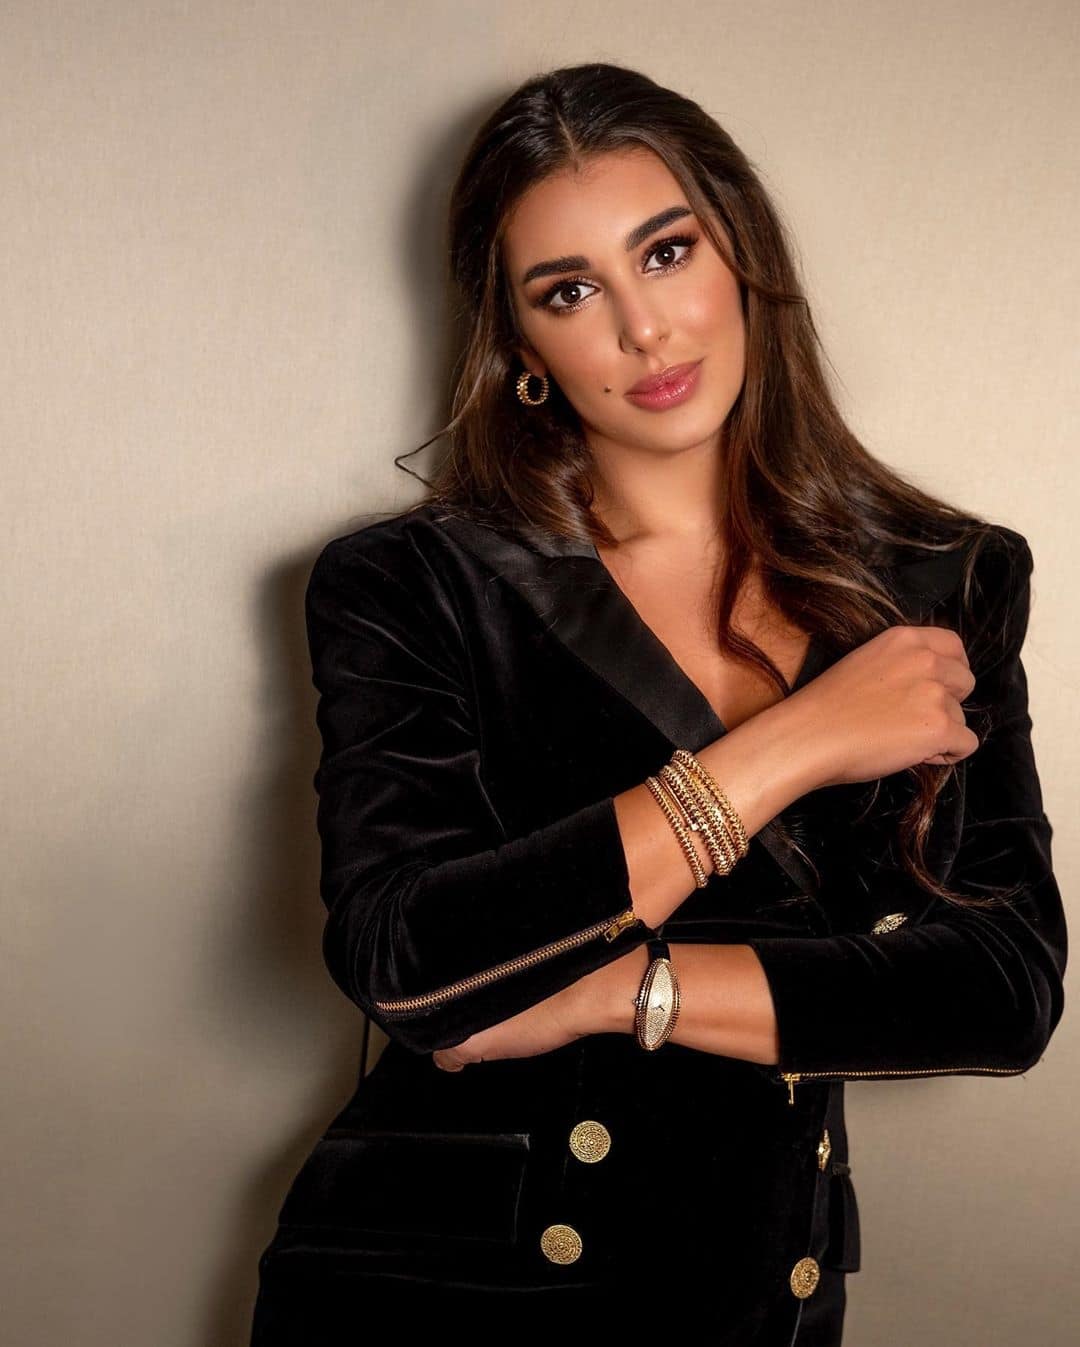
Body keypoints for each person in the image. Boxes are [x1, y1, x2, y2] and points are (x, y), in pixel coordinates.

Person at [248, 62, 1066, 1345]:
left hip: (755, 1284)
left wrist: (619, 990)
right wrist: (796, 743)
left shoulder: (943, 580)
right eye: (570, 292)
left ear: (741, 254)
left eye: (667, 252)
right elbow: (410, 965)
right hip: (447, 1292)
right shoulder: (415, 585)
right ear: (523, 345)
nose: (645, 330)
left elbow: (1002, 988)